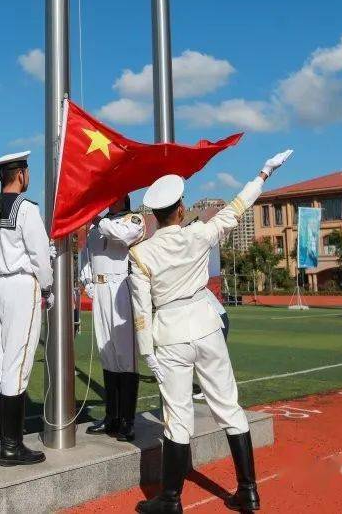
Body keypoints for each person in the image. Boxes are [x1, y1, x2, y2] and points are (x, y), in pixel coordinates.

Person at [129, 150, 292, 513]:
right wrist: (263, 173)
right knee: (229, 407)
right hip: (206, 326)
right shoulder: (200, 234)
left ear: (153, 216)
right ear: (181, 208)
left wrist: (147, 352)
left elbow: (141, 311)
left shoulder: (141, 254)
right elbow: (237, 206)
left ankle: (170, 499)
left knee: (177, 418)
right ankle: (248, 491)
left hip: (169, 333)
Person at [0, 150, 53, 467]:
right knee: (17, 363)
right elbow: (39, 255)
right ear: (21, 174)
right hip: (20, 285)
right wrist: (48, 287)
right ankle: (12, 446)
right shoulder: (26, 208)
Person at [80, 194, 144, 442]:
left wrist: (97, 219)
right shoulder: (98, 225)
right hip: (101, 287)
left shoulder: (134, 219)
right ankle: (112, 417)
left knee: (125, 355)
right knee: (107, 353)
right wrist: (87, 281)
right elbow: (87, 254)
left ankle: (128, 420)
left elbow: (124, 236)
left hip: (122, 288)